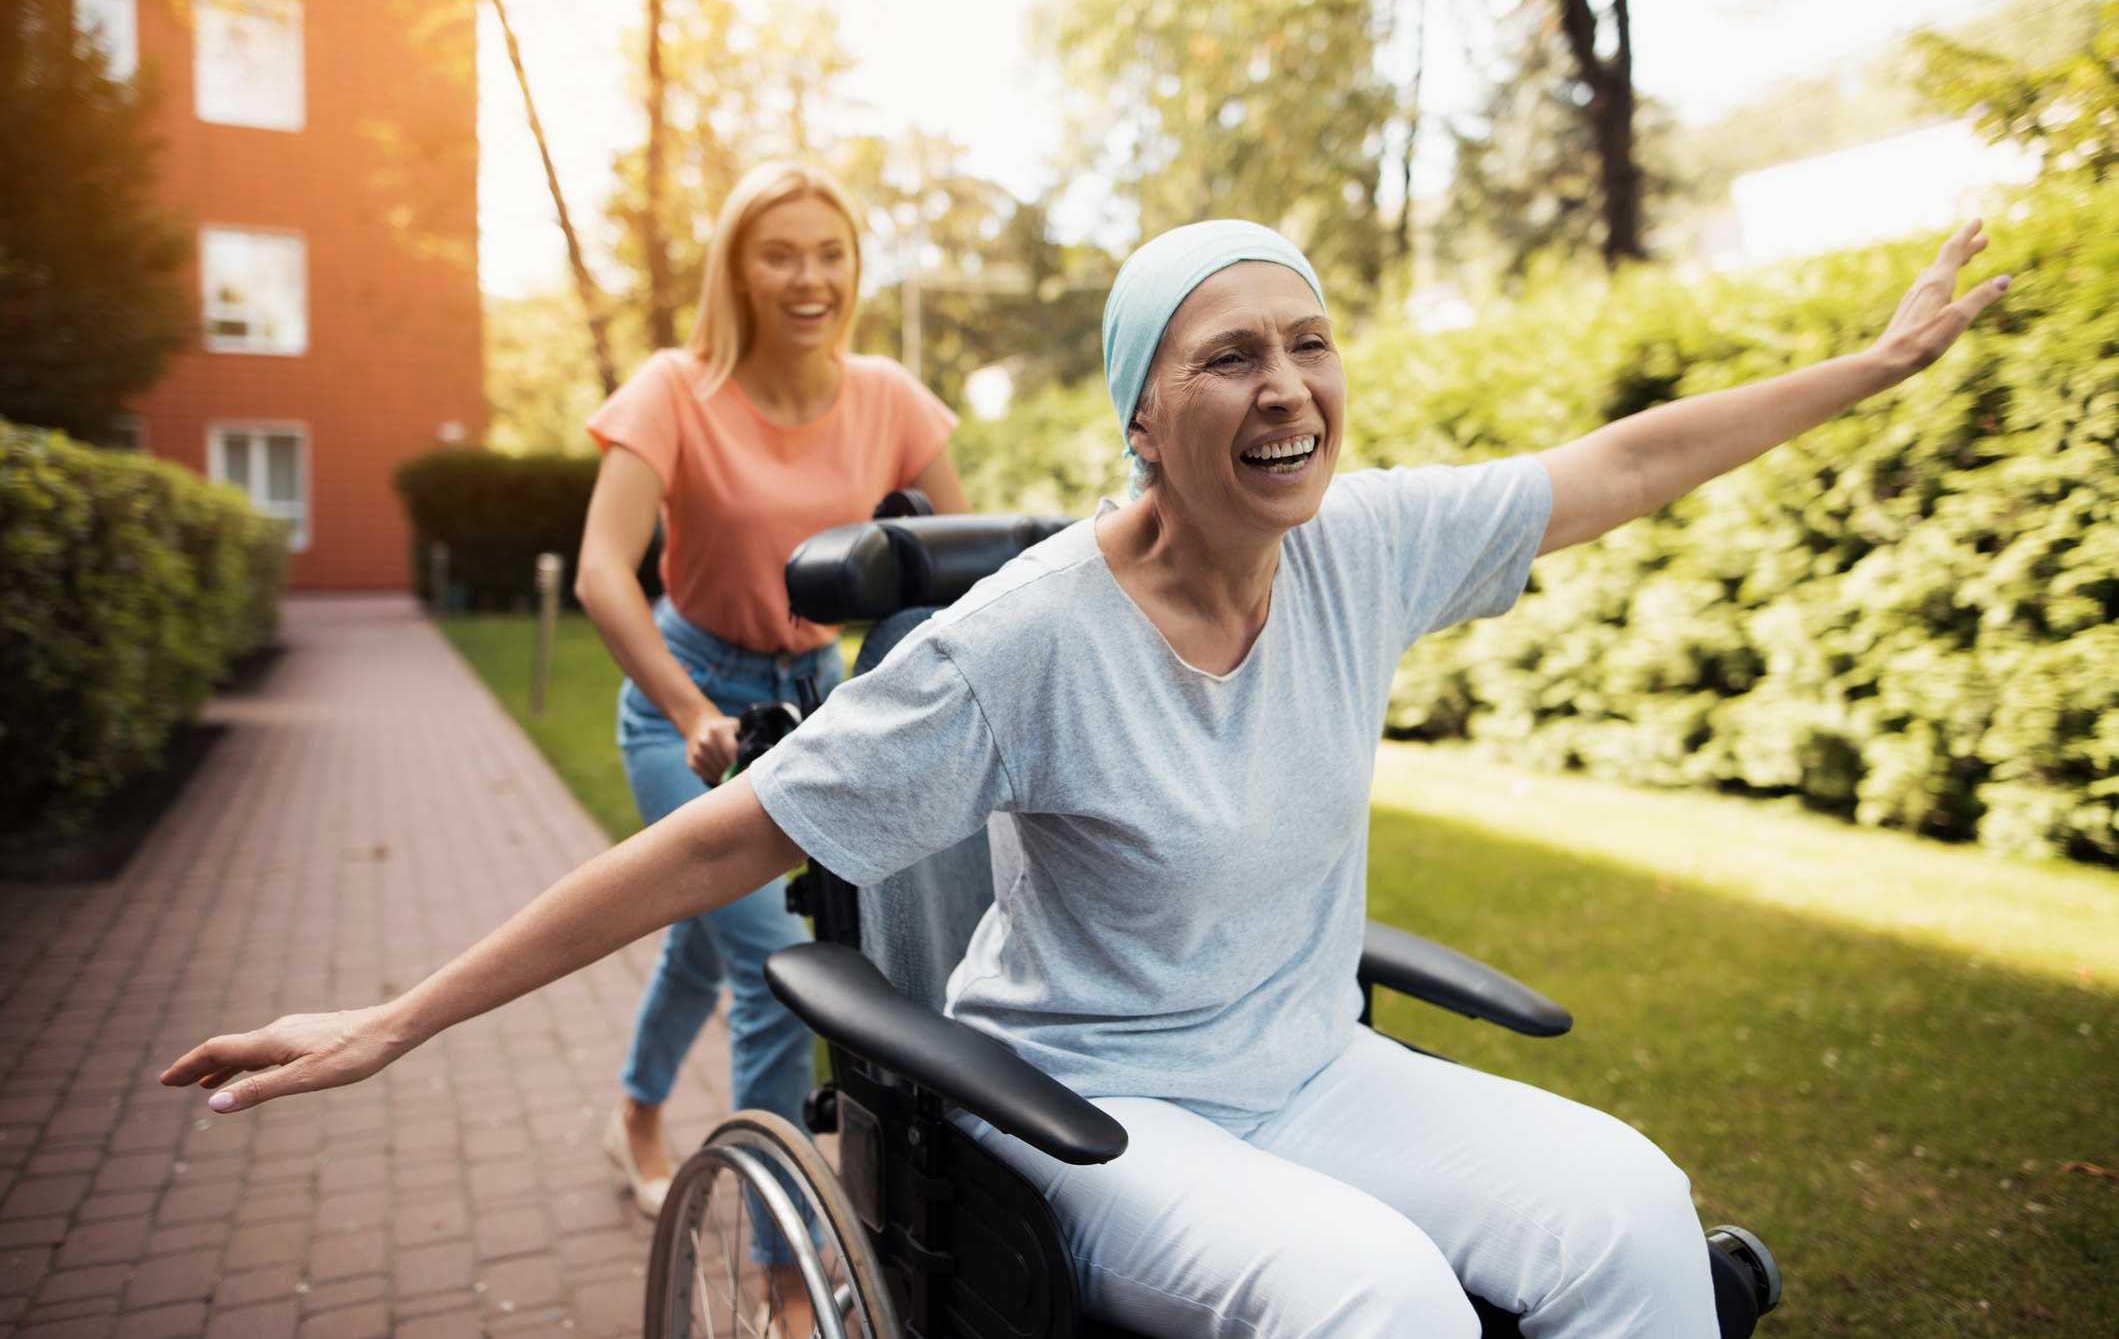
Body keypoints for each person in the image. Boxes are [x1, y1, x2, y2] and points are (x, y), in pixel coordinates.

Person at [164, 214, 2007, 1336]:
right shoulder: (1024, 636)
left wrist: (1866, 364)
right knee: (1362, 1291)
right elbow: (719, 838)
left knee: (1621, 1201)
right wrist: (401, 1014)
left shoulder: (1360, 541)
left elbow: (1623, 461)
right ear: (1141, 411)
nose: (1284, 386)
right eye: (1227, 356)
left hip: (1309, 1066)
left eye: (1305, 342)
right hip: (1095, 1106)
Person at [574, 159, 965, 1330]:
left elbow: (966, 560)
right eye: (780, 252)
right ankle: (783, 1275)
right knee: (772, 975)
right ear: (737, 270)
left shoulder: (889, 395)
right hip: (686, 708)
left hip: (819, 701)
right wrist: (690, 709)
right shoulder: (673, 390)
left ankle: (637, 1112)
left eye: (830, 252)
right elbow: (604, 571)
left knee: (709, 946)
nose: (810, 277)